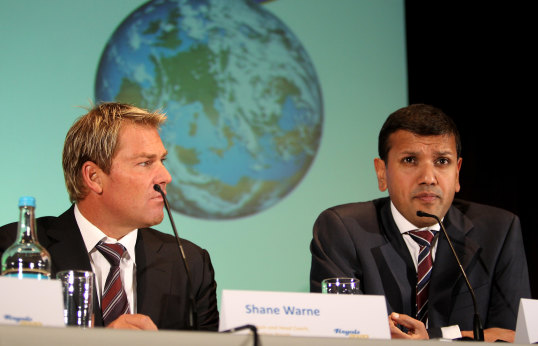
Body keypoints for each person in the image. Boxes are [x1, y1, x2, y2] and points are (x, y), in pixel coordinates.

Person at [310, 104, 530, 342]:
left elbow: (514, 336)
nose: (428, 178)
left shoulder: (499, 230)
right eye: (410, 160)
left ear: (457, 173)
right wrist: (464, 336)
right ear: (382, 172)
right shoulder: (343, 229)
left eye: (442, 161)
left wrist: (431, 338)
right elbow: (340, 332)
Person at [0, 102, 219, 331]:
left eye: (161, 161)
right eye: (145, 163)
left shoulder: (190, 264)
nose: (166, 176)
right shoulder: (14, 251)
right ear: (94, 177)